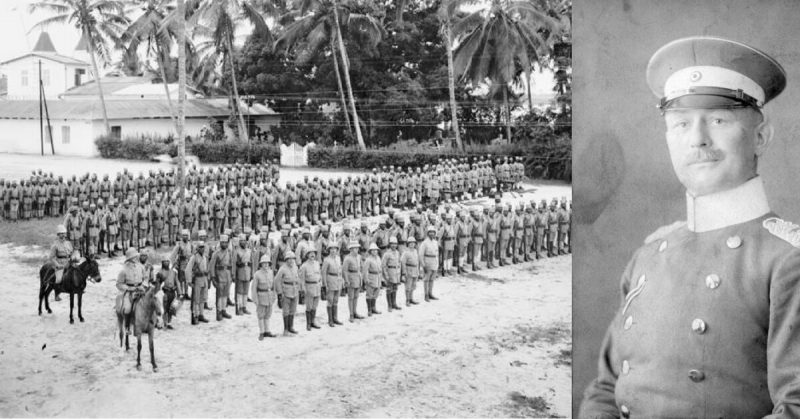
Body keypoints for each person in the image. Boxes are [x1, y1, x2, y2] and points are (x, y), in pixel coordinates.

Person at [580, 36, 800, 418]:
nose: (697, 139)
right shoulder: (647, 258)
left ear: (760, 137)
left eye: (718, 119)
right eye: (681, 123)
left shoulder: (785, 261)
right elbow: (605, 389)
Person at [250, 254, 277, 340]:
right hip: (261, 297)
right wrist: (255, 299)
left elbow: (274, 285)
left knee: (268, 314)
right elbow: (253, 288)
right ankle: (261, 332)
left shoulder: (271, 272)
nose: (266, 265)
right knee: (261, 315)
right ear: (261, 264)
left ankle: (267, 331)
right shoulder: (257, 274)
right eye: (264, 263)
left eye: (267, 263)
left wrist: (274, 295)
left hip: (269, 296)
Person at [275, 251, 300, 336]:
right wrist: (279, 293)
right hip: (286, 291)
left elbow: (298, 278)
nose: (291, 261)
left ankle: (291, 327)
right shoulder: (282, 269)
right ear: (286, 260)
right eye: (289, 259)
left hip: (295, 290)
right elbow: (277, 281)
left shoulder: (295, 267)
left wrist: (299, 289)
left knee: (293, 310)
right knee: (286, 311)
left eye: (292, 259)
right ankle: (285, 329)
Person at [185, 242, 210, 325]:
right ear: (197, 248)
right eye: (200, 247)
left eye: (203, 247)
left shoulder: (205, 257)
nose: (202, 249)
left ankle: (201, 315)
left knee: (202, 298)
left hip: (204, 279)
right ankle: (195, 315)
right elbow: (188, 269)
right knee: (196, 299)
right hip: (197, 280)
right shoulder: (194, 257)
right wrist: (189, 281)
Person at [209, 234, 234, 321]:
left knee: (225, 295)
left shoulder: (229, 252)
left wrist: (232, 274)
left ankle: (223, 310)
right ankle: (218, 312)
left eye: (225, 242)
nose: (224, 244)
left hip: (227, 276)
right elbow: (211, 266)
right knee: (219, 295)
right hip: (219, 276)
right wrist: (212, 277)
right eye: (222, 242)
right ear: (220, 243)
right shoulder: (216, 253)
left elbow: (231, 264)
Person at [298, 246, 322, 330]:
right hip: (309, 287)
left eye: (313, 253)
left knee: (315, 306)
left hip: (317, 286)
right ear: (307, 255)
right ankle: (308, 324)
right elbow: (301, 279)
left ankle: (313, 321)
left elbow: (319, 274)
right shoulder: (304, 266)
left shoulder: (317, 263)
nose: (312, 255)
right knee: (309, 306)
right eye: (310, 253)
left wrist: (321, 283)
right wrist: (303, 289)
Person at [116, 248, 144, 319]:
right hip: (129, 292)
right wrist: (129, 288)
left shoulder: (141, 267)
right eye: (134, 257)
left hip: (141, 289)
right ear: (130, 259)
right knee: (127, 309)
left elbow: (145, 278)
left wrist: (143, 285)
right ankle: (127, 325)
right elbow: (119, 284)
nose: (137, 258)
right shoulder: (124, 270)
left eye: (136, 257)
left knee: (151, 302)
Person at [320, 246, 344, 327]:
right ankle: (330, 320)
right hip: (330, 280)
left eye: (335, 249)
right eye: (331, 249)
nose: (333, 251)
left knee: (336, 300)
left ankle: (335, 318)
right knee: (330, 300)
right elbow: (323, 272)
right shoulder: (326, 260)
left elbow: (340, 270)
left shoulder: (338, 258)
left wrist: (342, 280)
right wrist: (325, 284)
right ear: (329, 250)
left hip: (338, 280)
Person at [342, 240, 364, 322]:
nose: (357, 250)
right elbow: (344, 270)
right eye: (355, 248)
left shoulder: (358, 257)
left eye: (357, 248)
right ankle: (351, 314)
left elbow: (361, 266)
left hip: (357, 277)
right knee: (351, 297)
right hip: (351, 277)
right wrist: (346, 280)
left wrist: (361, 276)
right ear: (351, 249)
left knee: (356, 296)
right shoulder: (347, 258)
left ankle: (355, 312)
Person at [158, 259, 182, 330]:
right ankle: (164, 323)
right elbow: (158, 284)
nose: (166, 263)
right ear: (162, 263)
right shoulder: (160, 272)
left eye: (168, 261)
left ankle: (169, 322)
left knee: (171, 308)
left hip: (172, 292)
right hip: (165, 292)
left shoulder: (174, 272)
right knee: (165, 308)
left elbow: (177, 282)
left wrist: (179, 292)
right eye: (165, 261)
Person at [418, 226, 440, 301]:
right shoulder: (424, 243)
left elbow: (437, 253)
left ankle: (430, 293)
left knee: (432, 279)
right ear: (427, 233)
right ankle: (426, 294)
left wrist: (437, 263)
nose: (432, 234)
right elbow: (421, 255)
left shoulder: (435, 242)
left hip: (434, 262)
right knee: (426, 279)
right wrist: (423, 265)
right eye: (430, 232)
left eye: (433, 232)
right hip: (427, 262)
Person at [381, 236, 402, 311]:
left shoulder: (397, 253)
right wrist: (386, 275)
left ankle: (394, 303)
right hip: (390, 271)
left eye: (395, 244)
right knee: (389, 289)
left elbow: (399, 263)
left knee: (395, 289)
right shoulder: (387, 254)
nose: (394, 245)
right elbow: (383, 265)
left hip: (396, 272)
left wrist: (399, 274)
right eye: (392, 244)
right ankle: (389, 305)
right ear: (390, 244)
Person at [233, 234, 252, 315]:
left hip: (248, 271)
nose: (243, 242)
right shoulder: (236, 251)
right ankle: (240, 307)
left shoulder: (249, 251)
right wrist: (233, 274)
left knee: (246, 291)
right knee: (240, 292)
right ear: (239, 242)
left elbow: (252, 262)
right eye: (241, 241)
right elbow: (234, 264)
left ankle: (244, 307)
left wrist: (252, 273)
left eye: (244, 241)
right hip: (240, 272)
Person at [363, 243, 382, 316]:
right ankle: (369, 310)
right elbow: (365, 271)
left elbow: (380, 268)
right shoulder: (368, 260)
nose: (375, 252)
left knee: (376, 294)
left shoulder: (378, 258)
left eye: (376, 250)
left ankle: (374, 308)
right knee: (369, 294)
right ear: (370, 251)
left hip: (378, 277)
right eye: (373, 250)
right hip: (371, 277)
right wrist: (366, 279)